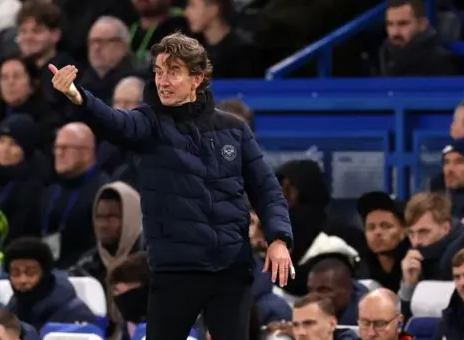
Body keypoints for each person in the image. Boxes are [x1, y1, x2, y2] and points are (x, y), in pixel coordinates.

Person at [49, 32, 293, 340]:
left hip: (230, 268)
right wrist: (78, 97)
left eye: (173, 72)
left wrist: (279, 239)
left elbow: (267, 190)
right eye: (158, 71)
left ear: (197, 78)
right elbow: (114, 122)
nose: (162, 80)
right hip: (175, 270)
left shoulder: (234, 130)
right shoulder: (148, 123)